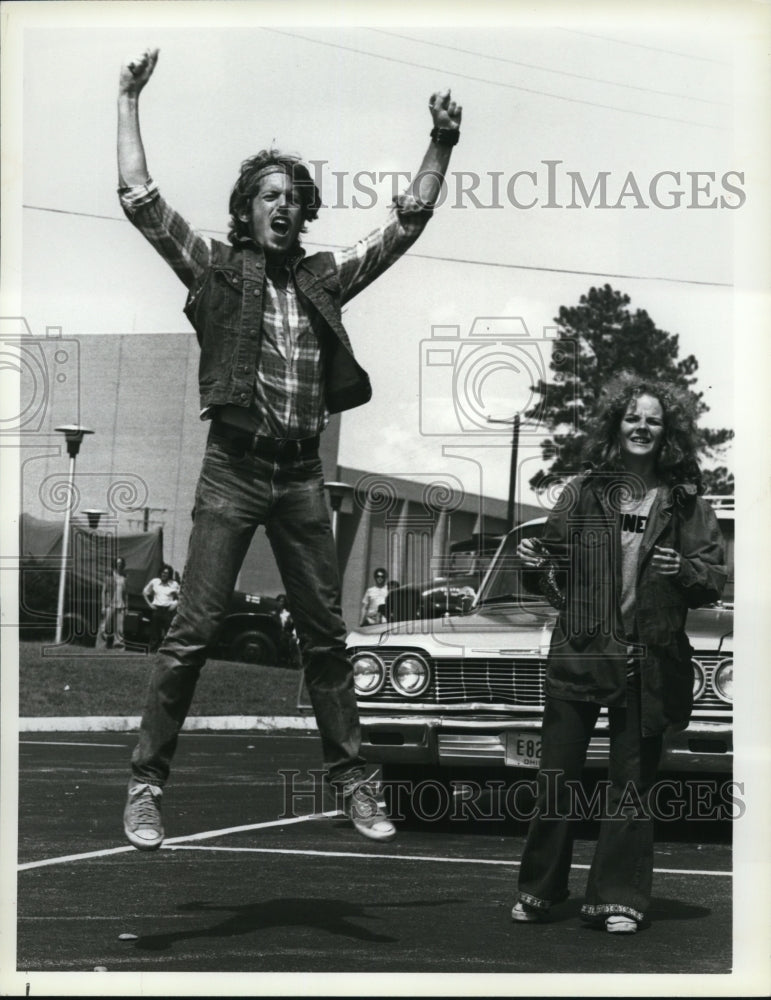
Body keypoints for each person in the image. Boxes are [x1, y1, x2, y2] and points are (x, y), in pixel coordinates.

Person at [117, 47, 461, 851]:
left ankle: (354, 785)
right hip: (233, 471)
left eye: (292, 198)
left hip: (302, 475)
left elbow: (402, 228)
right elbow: (140, 200)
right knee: (191, 633)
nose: (281, 206)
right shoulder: (216, 271)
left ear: (303, 215)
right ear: (245, 209)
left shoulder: (320, 281)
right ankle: (143, 787)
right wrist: (128, 99)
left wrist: (439, 146)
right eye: (268, 195)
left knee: (326, 639)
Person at [511, 372, 726, 934]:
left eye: (654, 420)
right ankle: (538, 891)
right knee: (556, 777)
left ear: (668, 432)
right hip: (582, 652)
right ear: (616, 425)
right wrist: (535, 560)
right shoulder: (583, 492)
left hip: (649, 663)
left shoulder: (685, 503)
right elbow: (547, 565)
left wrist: (689, 570)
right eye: (633, 417)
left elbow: (714, 580)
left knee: (631, 789)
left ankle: (617, 900)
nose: (642, 427)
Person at [142, 564, 180, 652]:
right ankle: (153, 649)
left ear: (169, 574)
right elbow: (144, 592)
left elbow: (181, 596)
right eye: (163, 572)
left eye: (166, 573)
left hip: (168, 610)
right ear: (160, 573)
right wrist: (149, 604)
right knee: (155, 631)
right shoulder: (155, 582)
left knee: (168, 630)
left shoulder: (174, 584)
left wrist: (175, 604)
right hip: (157, 609)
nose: (164, 574)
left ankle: (166, 650)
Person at [96, 556, 128, 649]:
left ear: (123, 565)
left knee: (120, 629)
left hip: (120, 606)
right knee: (105, 626)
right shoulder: (109, 576)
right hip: (109, 605)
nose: (119, 565)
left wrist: (126, 607)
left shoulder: (124, 577)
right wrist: (103, 606)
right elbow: (103, 592)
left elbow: (126, 594)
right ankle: (100, 646)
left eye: (121, 564)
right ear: (115, 564)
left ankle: (119, 646)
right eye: (117, 563)